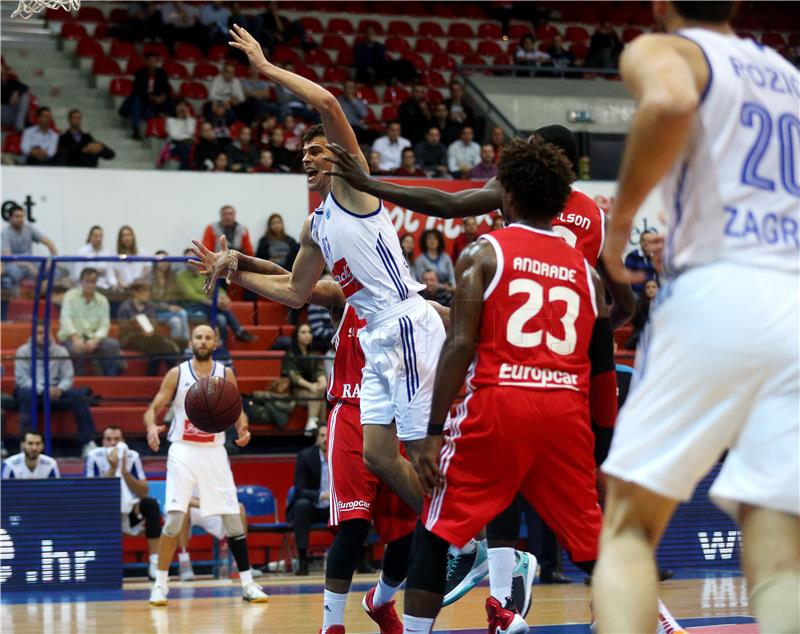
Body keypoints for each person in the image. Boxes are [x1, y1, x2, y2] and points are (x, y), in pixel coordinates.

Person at [594, 4, 800, 634]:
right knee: (779, 541)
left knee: (629, 524)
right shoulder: (787, 74)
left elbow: (670, 101)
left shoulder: (672, 50)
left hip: (716, 286)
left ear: (660, 3)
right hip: (793, 300)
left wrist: (620, 221)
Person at [200, 22, 447, 534]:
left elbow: (330, 104)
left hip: (404, 323)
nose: (306, 159)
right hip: (376, 336)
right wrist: (235, 269)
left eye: (315, 152)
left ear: (337, 156)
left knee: (424, 449)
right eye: (303, 155)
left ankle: (462, 539)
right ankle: (448, 531)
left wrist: (266, 69)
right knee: (379, 456)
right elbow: (294, 291)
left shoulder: (356, 187)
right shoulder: (316, 224)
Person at [400, 137, 605, 633]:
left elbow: (459, 345)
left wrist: (430, 430)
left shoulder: (484, 252)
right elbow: (604, 338)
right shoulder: (587, 272)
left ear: (506, 195)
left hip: (500, 401)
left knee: (435, 530)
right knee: (597, 548)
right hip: (565, 410)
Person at [144, 324, 267, 605]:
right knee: (174, 517)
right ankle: (161, 584)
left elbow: (237, 412)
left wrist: (244, 430)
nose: (202, 341)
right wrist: (152, 426)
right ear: (191, 341)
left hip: (214, 451)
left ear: (216, 342)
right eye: (198, 336)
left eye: (207, 337)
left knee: (233, 519)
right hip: (183, 450)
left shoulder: (225, 374)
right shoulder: (177, 373)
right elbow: (152, 408)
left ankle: (247, 584)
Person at [85, 425, 162, 579]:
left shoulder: (132, 456)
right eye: (108, 439)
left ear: (123, 441)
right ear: (103, 442)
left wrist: (125, 471)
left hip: (131, 511)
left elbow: (143, 491)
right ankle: (101, 567)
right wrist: (113, 469)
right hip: (104, 512)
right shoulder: (94, 456)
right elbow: (91, 493)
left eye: (116, 439)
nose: (113, 443)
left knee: (151, 504)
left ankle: (155, 562)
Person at [15, 323, 96, 455]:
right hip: (35, 392)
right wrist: (43, 390)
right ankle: (25, 444)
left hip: (57, 393)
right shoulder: (23, 351)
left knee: (80, 396)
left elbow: (68, 377)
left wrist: (60, 389)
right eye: (40, 333)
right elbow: (22, 379)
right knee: (26, 395)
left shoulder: (61, 351)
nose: (44, 336)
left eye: (46, 333)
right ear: (32, 335)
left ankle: (88, 442)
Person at [176, 487, 258, 581]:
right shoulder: (185, 472)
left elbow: (229, 495)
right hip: (193, 509)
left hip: (214, 509)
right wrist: (206, 503)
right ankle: (184, 564)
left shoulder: (221, 472)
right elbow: (182, 499)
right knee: (183, 509)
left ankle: (240, 563)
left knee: (239, 508)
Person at [176, 247, 255, 345]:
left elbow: (216, 288)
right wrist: (213, 302)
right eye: (189, 260)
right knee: (222, 312)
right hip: (192, 306)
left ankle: (222, 345)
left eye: (194, 259)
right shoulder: (181, 276)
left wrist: (223, 297)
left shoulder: (204, 274)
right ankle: (239, 331)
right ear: (185, 262)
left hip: (208, 306)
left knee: (221, 319)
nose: (192, 263)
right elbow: (191, 294)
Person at [58, 268, 122, 376]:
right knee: (77, 349)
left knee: (113, 345)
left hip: (94, 338)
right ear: (81, 281)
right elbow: (66, 319)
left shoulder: (103, 300)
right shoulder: (70, 296)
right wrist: (75, 337)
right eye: (87, 281)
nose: (90, 285)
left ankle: (110, 380)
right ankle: (79, 382)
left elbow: (105, 324)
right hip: (72, 337)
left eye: (93, 282)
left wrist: (95, 340)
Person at [287, 424, 330, 574]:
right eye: (322, 435)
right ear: (317, 438)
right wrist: (321, 495)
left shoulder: (342, 454)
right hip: (314, 506)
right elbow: (300, 489)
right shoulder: (305, 456)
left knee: (357, 506)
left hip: (336, 506)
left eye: (328, 435)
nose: (325, 439)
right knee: (301, 505)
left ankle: (360, 559)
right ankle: (303, 559)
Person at [117, 280, 182, 376]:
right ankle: (173, 369)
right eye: (145, 291)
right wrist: (135, 325)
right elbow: (123, 328)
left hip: (149, 337)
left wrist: (149, 328)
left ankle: (152, 373)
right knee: (159, 342)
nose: (148, 294)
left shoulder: (150, 306)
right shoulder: (125, 307)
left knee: (157, 345)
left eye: (149, 291)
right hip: (130, 338)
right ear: (135, 293)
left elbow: (154, 325)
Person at [282, 322, 327, 435]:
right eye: (303, 332)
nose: (307, 335)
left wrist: (322, 382)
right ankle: (322, 428)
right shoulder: (290, 354)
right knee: (317, 395)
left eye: (309, 332)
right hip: (295, 391)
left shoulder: (314, 353)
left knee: (319, 393)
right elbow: (294, 377)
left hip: (313, 390)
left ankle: (314, 425)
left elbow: (319, 371)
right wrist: (311, 386)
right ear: (296, 336)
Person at [1, 204, 57, 288]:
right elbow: (8, 258)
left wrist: (52, 259)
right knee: (15, 272)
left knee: (54, 271)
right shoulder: (5, 233)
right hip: (15, 265)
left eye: (22, 216)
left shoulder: (29, 229)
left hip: (31, 263)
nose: (20, 219)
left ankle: (43, 292)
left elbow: (49, 242)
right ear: (10, 218)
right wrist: (28, 265)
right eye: (17, 216)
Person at [124, 52, 171, 140]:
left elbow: (166, 88)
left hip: (156, 100)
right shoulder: (140, 73)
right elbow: (137, 90)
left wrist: (163, 96)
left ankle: (164, 130)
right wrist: (151, 97)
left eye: (154, 61)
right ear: (145, 61)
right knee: (136, 101)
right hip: (142, 99)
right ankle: (136, 129)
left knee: (171, 103)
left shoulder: (162, 73)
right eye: (150, 61)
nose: (152, 63)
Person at [150, 251, 191, 347]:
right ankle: (187, 344)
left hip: (167, 314)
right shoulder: (150, 278)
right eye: (161, 260)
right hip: (154, 313)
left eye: (166, 260)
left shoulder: (172, 277)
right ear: (155, 262)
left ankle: (175, 350)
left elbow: (178, 297)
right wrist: (168, 308)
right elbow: (148, 303)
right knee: (182, 313)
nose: (164, 263)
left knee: (176, 322)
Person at [73, 225, 116, 289]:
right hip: (86, 287)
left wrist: (115, 285)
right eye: (96, 236)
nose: (99, 239)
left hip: (103, 288)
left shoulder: (107, 253)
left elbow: (110, 275)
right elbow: (77, 275)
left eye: (100, 236)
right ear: (90, 237)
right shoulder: (82, 252)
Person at [414, 229, 455, 293]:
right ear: (425, 241)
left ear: (439, 241)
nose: (432, 241)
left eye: (435, 238)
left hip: (448, 293)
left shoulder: (446, 257)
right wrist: (443, 287)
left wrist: (453, 287)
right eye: (429, 238)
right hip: (427, 295)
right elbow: (422, 282)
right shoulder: (420, 260)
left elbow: (452, 278)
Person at [624, 279, 658, 349]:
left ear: (658, 289)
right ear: (644, 290)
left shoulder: (664, 304)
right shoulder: (639, 304)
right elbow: (638, 324)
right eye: (648, 287)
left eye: (654, 287)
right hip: (641, 333)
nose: (651, 289)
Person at [114, 225, 150, 289]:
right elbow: (116, 273)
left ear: (133, 236)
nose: (126, 238)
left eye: (128, 235)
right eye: (123, 236)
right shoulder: (115, 255)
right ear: (120, 239)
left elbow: (147, 269)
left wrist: (139, 281)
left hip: (139, 287)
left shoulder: (143, 252)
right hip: (122, 289)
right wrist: (123, 285)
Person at [624, 231, 660, 295]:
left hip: (653, 292)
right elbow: (628, 280)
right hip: (637, 293)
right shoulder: (632, 256)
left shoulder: (656, 256)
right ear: (640, 242)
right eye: (643, 240)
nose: (646, 243)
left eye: (649, 241)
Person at [164, 99, 196, 170]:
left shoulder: (191, 120)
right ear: (175, 107)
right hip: (174, 146)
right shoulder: (170, 121)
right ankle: (182, 171)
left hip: (188, 145)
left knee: (191, 150)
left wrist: (188, 117)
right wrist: (187, 137)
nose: (182, 107)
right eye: (180, 105)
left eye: (184, 105)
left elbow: (190, 132)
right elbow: (174, 135)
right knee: (187, 150)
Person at [1, 61, 29, 132]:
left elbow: (25, 87)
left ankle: (19, 126)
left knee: (24, 97)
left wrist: (16, 92)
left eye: (3, 74)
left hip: (10, 112)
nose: (2, 76)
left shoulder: (12, 82)